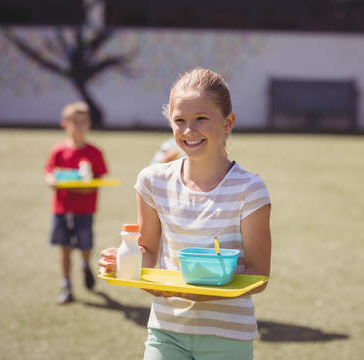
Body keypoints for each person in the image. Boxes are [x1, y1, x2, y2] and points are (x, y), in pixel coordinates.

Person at [99, 68, 271, 359]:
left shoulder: (250, 189)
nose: (189, 130)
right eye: (179, 120)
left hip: (228, 336)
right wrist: (125, 261)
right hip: (166, 331)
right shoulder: (152, 181)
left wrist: (195, 293)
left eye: (201, 118)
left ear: (228, 122)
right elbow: (149, 254)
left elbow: (258, 274)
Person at [45, 101, 108, 304]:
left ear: (89, 124)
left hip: (85, 209)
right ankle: (67, 285)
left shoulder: (94, 152)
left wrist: (80, 186)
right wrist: (54, 182)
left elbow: (98, 180)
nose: (79, 126)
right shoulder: (58, 151)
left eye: (83, 122)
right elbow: (50, 176)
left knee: (85, 244)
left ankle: (85, 263)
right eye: (75, 122)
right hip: (62, 209)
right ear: (65, 124)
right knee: (64, 247)